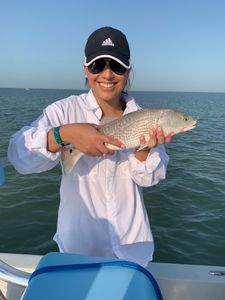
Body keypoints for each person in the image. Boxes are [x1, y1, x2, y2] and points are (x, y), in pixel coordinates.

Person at [8, 26, 173, 267]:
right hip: (78, 249)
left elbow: (150, 178)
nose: (107, 75)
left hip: (132, 250)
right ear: (86, 69)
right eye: (98, 65)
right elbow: (19, 156)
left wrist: (144, 149)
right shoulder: (64, 111)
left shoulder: (145, 118)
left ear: (128, 71)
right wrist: (64, 134)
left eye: (116, 66)